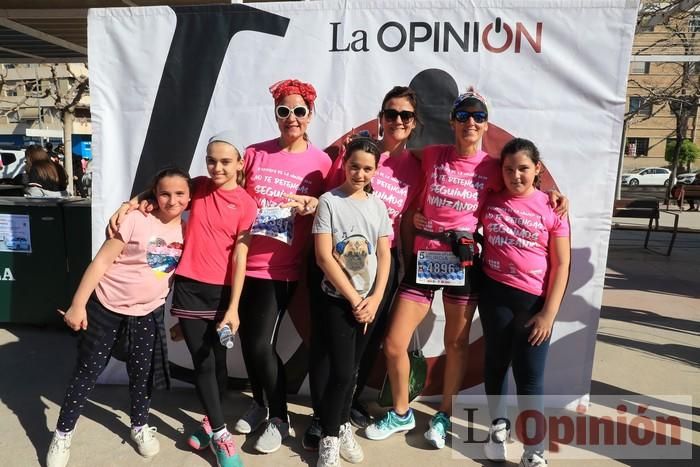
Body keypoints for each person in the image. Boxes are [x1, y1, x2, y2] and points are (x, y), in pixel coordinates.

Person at [110, 132, 257, 467]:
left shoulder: (248, 205)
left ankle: (209, 422)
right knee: (204, 361)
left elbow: (240, 258)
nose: (217, 167)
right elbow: (160, 192)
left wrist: (234, 307)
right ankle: (221, 436)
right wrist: (130, 203)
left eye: (224, 161)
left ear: (239, 163)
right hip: (190, 288)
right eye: (211, 160)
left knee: (218, 362)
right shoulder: (199, 187)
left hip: (222, 294)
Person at [46, 167, 191, 467]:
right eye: (164, 193)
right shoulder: (135, 219)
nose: (172, 200)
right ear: (154, 194)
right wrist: (78, 304)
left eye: (180, 194)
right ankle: (62, 434)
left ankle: (139, 424)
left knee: (141, 374)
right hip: (106, 308)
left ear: (189, 198)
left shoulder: (187, 230)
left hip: (148, 313)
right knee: (87, 372)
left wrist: (181, 320)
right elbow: (100, 262)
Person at [304, 86, 423, 451]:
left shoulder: (417, 168)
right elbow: (325, 197)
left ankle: (343, 411)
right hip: (334, 267)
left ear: (414, 123)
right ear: (381, 116)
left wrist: (399, 270)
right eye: (391, 113)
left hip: (379, 269)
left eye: (405, 115)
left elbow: (402, 223)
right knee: (328, 348)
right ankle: (321, 420)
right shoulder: (354, 151)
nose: (397, 121)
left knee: (362, 349)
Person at [233, 79, 332, 454]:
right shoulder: (254, 153)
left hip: (282, 269)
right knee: (247, 342)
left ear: (310, 115)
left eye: (299, 111)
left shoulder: (321, 162)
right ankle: (260, 403)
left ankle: (279, 417)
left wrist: (316, 204)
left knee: (260, 343)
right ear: (275, 114)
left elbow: (340, 203)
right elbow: (226, 185)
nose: (292, 118)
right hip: (243, 261)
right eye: (283, 111)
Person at [479, 138, 570, 467]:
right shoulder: (488, 200)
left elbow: (561, 265)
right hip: (494, 296)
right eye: (508, 169)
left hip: (534, 304)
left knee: (530, 377)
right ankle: (497, 431)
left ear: (537, 170)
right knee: (496, 364)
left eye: (523, 168)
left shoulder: (552, 208)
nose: (515, 175)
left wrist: (549, 313)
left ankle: (534, 451)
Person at [312, 136, 392, 467]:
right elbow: (323, 257)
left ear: (376, 171)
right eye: (355, 166)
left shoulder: (378, 205)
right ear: (345, 163)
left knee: (354, 370)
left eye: (367, 169)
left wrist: (374, 299)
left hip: (369, 304)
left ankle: (342, 423)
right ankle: (329, 438)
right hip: (338, 300)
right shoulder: (329, 201)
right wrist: (355, 298)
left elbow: (385, 254)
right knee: (342, 372)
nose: (360, 174)